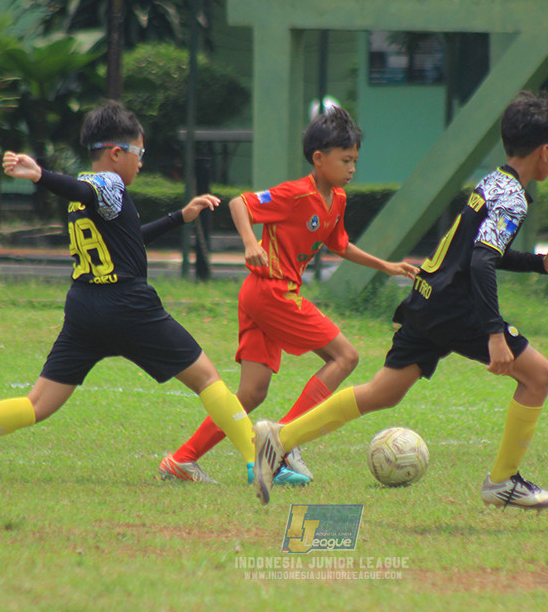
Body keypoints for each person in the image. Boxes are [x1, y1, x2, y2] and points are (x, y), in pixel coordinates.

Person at [251, 90, 548, 507]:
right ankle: (503, 481)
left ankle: (279, 437)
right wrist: (495, 332)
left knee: (383, 391)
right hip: (454, 306)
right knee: (539, 376)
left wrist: (537, 263)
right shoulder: (512, 196)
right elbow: (480, 263)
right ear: (545, 151)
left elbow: (476, 251)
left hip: (427, 294)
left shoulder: (494, 180)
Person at [0, 101, 256, 479]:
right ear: (117, 153)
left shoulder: (92, 190)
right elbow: (84, 189)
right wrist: (41, 176)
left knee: (36, 403)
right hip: (128, 305)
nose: (141, 162)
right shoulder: (107, 183)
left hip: (85, 307)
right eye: (140, 153)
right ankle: (258, 461)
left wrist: (178, 218)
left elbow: (127, 239)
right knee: (207, 379)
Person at [159, 106, 418, 484]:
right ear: (318, 159)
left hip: (262, 296)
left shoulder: (338, 200)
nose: (352, 168)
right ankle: (285, 438)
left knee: (250, 393)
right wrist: (250, 243)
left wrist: (387, 266)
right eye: (345, 160)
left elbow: (340, 244)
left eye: (355, 161)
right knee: (345, 356)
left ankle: (181, 460)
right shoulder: (296, 193)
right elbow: (239, 204)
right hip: (271, 292)